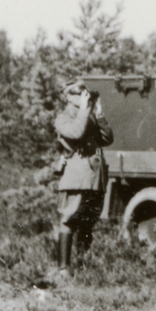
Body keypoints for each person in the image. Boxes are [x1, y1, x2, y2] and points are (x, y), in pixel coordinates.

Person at [51, 80, 114, 275]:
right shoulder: (63, 118)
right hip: (77, 177)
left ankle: (82, 267)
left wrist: (99, 115)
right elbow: (77, 133)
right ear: (69, 97)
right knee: (70, 218)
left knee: (88, 221)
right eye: (80, 94)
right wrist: (85, 111)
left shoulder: (89, 116)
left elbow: (107, 139)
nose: (85, 97)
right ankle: (64, 269)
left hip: (94, 177)